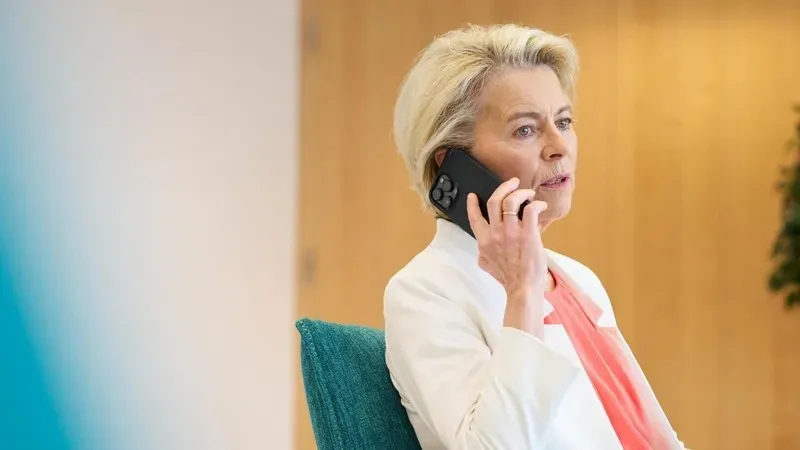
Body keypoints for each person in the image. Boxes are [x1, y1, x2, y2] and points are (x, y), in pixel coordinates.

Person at [384, 24, 687, 450]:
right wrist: (522, 293)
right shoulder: (424, 292)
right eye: (525, 130)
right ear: (451, 163)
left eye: (564, 121)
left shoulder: (580, 280)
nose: (559, 145)